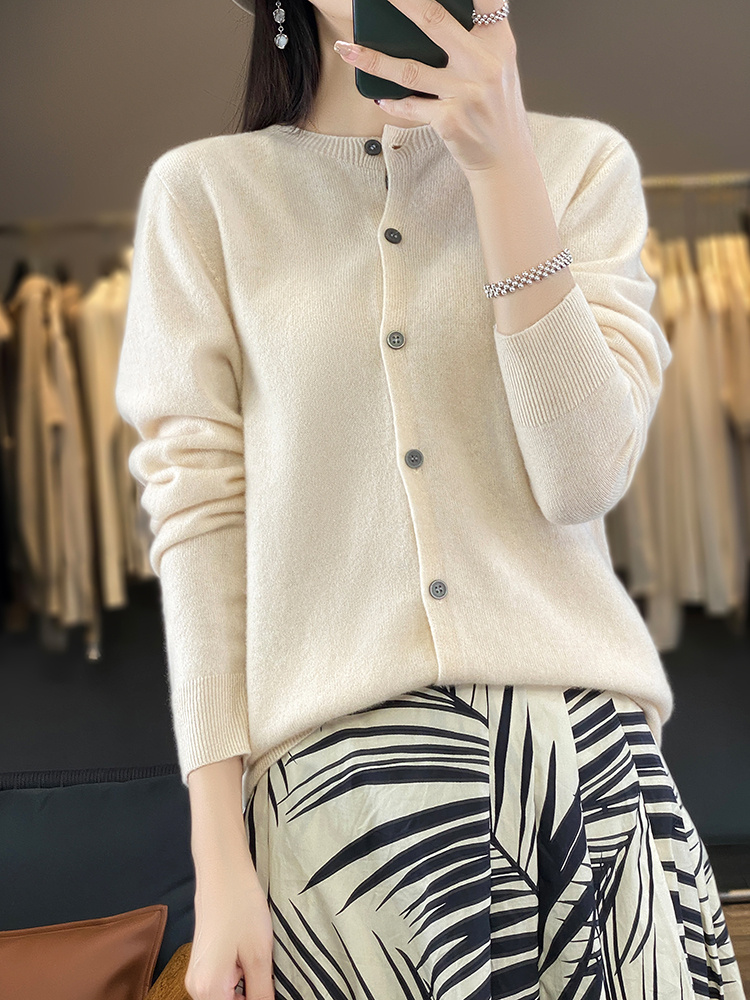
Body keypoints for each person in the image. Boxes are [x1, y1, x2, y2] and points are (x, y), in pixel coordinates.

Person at [114, 0, 748, 997]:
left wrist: (504, 170)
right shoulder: (205, 198)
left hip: (586, 785)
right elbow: (200, 523)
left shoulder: (579, 167)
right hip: (344, 819)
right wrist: (219, 854)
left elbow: (583, 475)